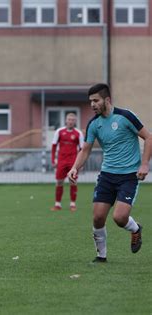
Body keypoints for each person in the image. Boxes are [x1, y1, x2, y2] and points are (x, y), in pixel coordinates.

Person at [67, 83, 151, 263]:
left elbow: (149, 137)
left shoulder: (125, 116)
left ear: (107, 100)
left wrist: (144, 165)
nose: (92, 105)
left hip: (129, 176)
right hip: (106, 175)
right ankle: (101, 256)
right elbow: (85, 150)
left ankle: (135, 229)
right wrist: (75, 168)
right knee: (97, 217)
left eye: (96, 100)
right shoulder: (93, 124)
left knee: (120, 218)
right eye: (90, 101)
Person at [51, 113, 84, 212]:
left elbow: (82, 149)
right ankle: (57, 204)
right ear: (66, 120)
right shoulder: (59, 131)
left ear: (75, 121)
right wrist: (53, 160)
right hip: (61, 161)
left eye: (72, 120)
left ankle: (72, 204)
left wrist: (81, 164)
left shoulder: (79, 133)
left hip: (73, 162)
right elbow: (53, 147)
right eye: (69, 119)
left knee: (72, 181)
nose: (70, 121)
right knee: (59, 181)